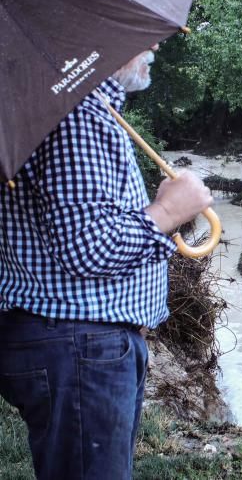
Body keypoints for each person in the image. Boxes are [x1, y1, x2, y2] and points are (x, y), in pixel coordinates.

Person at [0, 45, 213, 480]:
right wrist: (169, 212)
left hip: (77, 343)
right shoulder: (76, 120)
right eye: (142, 39)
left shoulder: (78, 111)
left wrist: (160, 209)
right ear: (86, 42)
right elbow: (88, 248)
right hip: (80, 346)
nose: (154, 44)